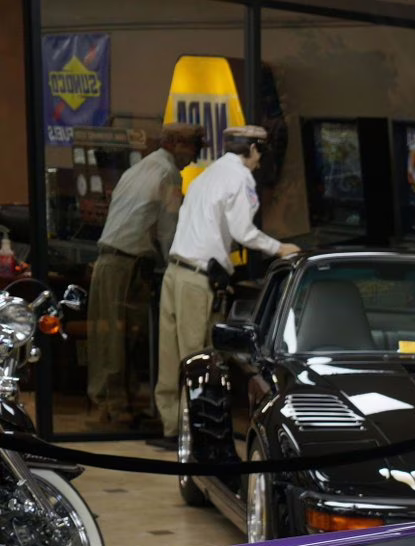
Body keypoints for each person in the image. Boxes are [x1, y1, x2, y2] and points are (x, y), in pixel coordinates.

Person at [154, 124, 298, 448]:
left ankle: (170, 428)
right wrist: (280, 248)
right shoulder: (240, 178)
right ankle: (193, 436)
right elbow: (244, 231)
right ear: (253, 150)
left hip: (175, 271)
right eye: (261, 153)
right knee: (196, 359)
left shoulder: (209, 174)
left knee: (169, 355)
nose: (260, 162)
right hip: (195, 279)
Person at [87, 122, 201, 430]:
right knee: (119, 338)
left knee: (110, 336)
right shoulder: (167, 175)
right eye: (194, 148)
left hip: (111, 259)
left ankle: (112, 404)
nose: (194, 158)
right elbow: (168, 230)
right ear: (178, 144)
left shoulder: (138, 169)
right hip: (127, 262)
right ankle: (115, 409)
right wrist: (180, 264)